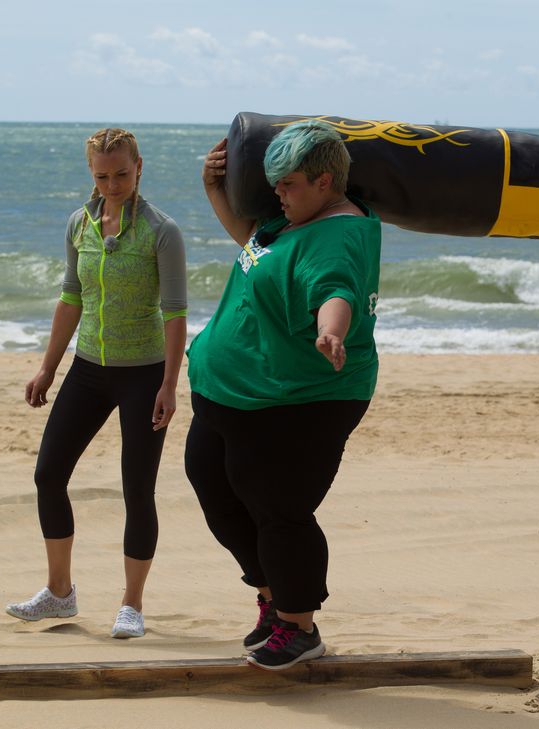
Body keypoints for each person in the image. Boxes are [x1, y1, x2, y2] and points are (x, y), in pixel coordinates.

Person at [184, 121, 381, 670]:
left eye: (288, 183)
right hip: (234, 394)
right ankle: (273, 600)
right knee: (218, 492)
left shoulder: (334, 236)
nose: (278, 192)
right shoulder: (293, 219)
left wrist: (331, 331)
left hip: (295, 401)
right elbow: (252, 245)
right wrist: (213, 191)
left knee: (279, 510)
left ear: (324, 182)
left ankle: (299, 626)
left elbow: (334, 289)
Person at [6, 128, 187, 639]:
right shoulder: (78, 225)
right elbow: (71, 298)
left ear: (140, 167)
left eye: (122, 174)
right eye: (102, 176)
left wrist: (170, 385)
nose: (113, 184)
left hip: (144, 375)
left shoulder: (162, 231)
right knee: (48, 476)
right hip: (88, 370)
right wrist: (48, 367)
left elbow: (175, 314)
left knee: (137, 489)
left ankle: (132, 604)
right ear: (91, 173)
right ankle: (59, 593)